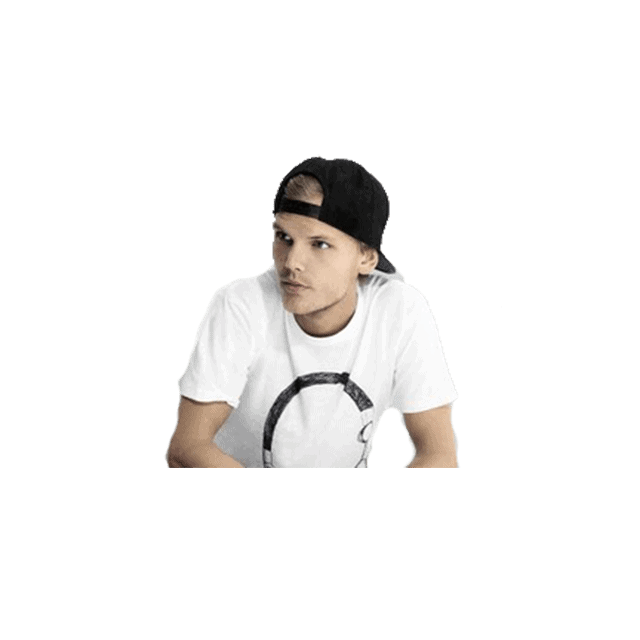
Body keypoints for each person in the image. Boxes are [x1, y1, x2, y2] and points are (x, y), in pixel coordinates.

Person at [167, 156, 459, 468]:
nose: (291, 262)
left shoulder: (400, 311)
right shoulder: (241, 305)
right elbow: (187, 448)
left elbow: (439, 455)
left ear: (366, 258)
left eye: (319, 244)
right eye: (284, 237)